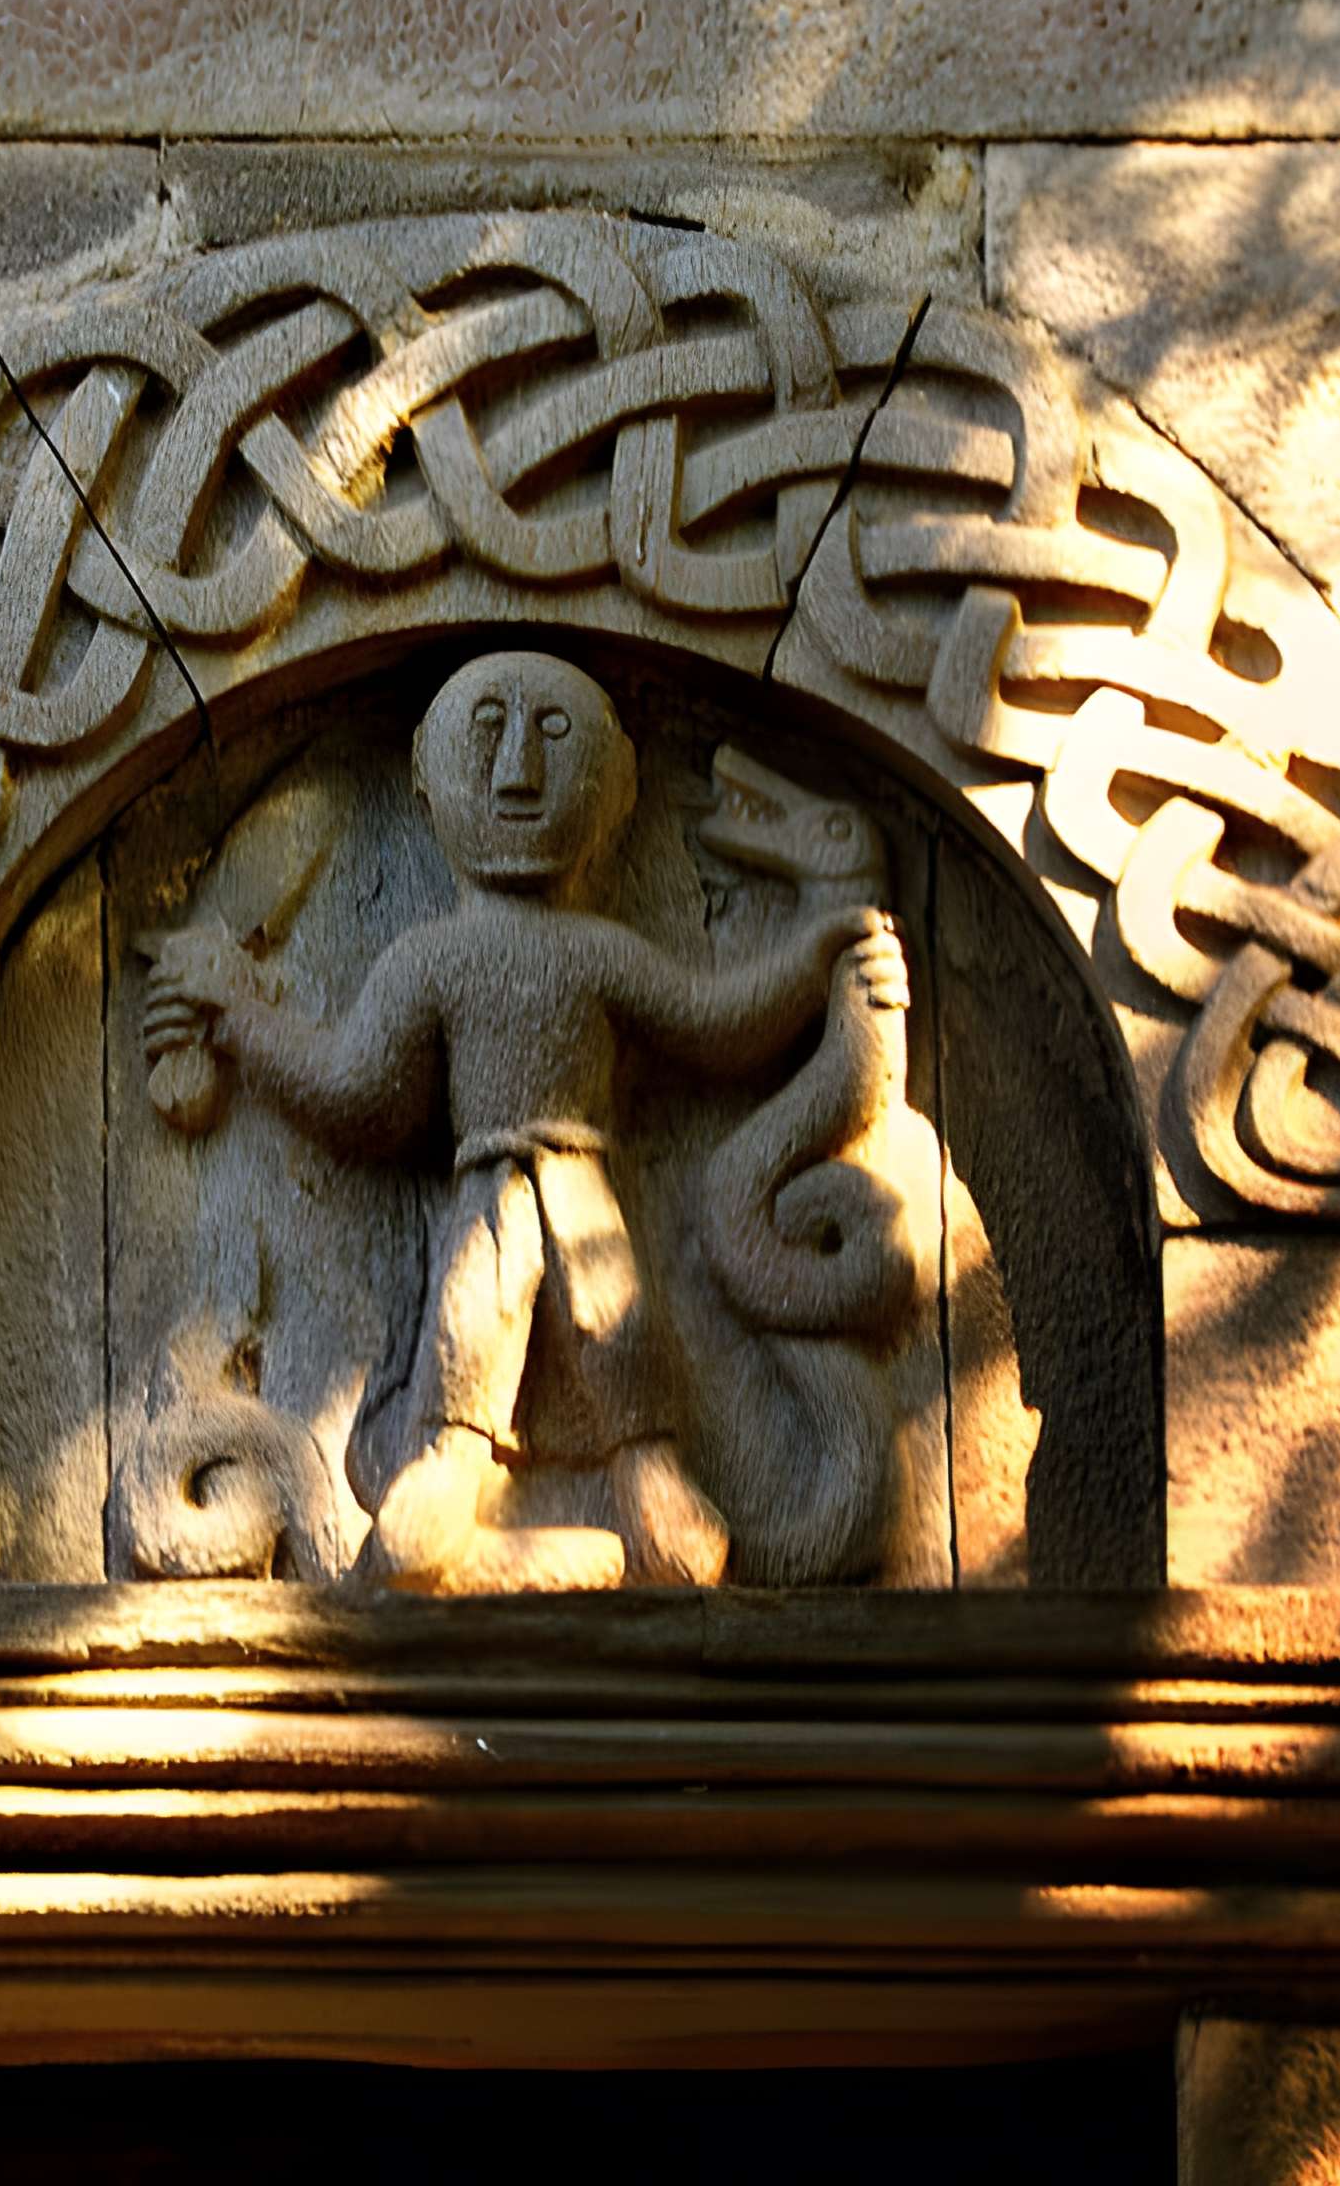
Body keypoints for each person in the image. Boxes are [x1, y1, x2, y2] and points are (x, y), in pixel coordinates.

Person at [145, 650, 899, 1590]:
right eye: (486, 737)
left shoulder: (601, 955)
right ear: (428, 783)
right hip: (490, 1183)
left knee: (613, 1314)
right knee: (473, 1310)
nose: (517, 773)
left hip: (579, 1179)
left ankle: (648, 1473)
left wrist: (827, 955)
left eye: (552, 738)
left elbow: (716, 1024)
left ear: (615, 789)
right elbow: (354, 1086)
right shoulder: (432, 960)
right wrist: (239, 1023)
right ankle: (454, 1464)